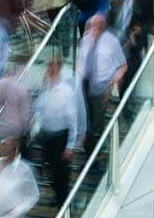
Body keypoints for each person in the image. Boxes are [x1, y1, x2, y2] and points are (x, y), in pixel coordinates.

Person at [34, 55, 81, 206]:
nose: (48, 70)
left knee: (61, 172)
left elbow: (72, 119)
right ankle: (57, 196)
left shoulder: (65, 91)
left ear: (58, 68)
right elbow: (39, 109)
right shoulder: (46, 88)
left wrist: (70, 145)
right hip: (47, 135)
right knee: (50, 168)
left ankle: (64, 201)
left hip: (61, 136)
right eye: (48, 66)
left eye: (51, 67)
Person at [78, 14, 127, 145]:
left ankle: (96, 153)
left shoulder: (112, 42)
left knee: (96, 122)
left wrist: (112, 84)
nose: (93, 29)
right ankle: (90, 147)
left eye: (97, 26)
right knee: (85, 120)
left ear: (103, 27)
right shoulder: (86, 40)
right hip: (84, 85)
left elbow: (123, 66)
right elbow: (81, 63)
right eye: (92, 26)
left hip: (102, 87)